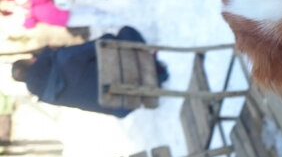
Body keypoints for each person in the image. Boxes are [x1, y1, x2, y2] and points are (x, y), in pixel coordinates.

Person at [10, 26, 168, 117]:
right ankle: (151, 64)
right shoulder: (61, 59)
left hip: (126, 104)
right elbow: (104, 44)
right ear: (32, 61)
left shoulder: (49, 96)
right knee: (125, 33)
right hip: (139, 76)